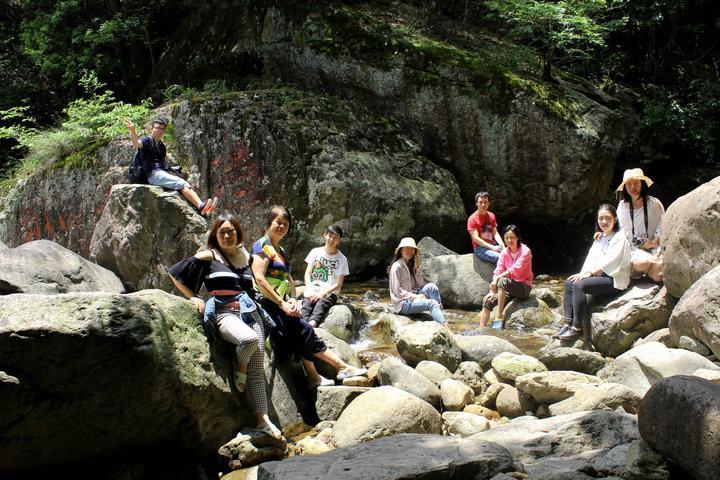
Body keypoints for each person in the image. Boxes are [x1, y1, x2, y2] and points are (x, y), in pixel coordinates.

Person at [167, 213, 281, 439]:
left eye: (231, 231)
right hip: (224, 312)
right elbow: (175, 274)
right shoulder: (209, 256)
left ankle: (262, 420)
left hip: (250, 313)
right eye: (222, 232)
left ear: (238, 233)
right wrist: (193, 297)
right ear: (215, 235)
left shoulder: (247, 256)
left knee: (258, 370)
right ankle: (240, 365)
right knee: (248, 341)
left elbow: (255, 284)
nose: (227, 236)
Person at [250, 206, 366, 387]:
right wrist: (282, 303)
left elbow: (288, 279)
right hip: (265, 303)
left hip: (280, 301)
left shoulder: (280, 250)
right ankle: (333, 369)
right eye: (278, 222)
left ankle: (323, 373)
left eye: (285, 224)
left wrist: (293, 299)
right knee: (303, 328)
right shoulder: (262, 246)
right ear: (269, 223)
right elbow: (259, 279)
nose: (282, 226)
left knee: (302, 327)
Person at [557, 204, 631, 340]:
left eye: (608, 218)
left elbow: (610, 262)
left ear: (615, 219)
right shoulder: (600, 238)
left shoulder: (620, 238)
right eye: (601, 218)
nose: (604, 222)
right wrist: (582, 273)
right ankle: (567, 324)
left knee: (580, 286)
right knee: (569, 283)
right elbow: (591, 259)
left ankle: (577, 327)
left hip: (613, 279)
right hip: (600, 277)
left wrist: (589, 274)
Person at [124, 117, 217, 216]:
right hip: (152, 175)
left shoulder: (161, 146)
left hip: (160, 172)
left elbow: (161, 164)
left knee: (182, 181)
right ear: (151, 129)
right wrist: (132, 131)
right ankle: (201, 206)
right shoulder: (147, 140)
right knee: (181, 183)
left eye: (162, 129)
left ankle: (204, 210)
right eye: (157, 128)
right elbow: (136, 144)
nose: (160, 131)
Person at [478, 225, 533, 329]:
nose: (509, 240)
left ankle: (499, 316)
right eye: (506, 238)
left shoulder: (525, 251)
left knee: (502, 281)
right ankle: (481, 330)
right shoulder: (504, 252)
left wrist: (497, 279)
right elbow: (498, 270)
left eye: (512, 237)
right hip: (508, 287)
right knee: (488, 300)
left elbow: (515, 269)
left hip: (523, 287)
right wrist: (491, 292)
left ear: (517, 238)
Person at [615, 168, 664, 282]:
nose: (633, 187)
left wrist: (654, 242)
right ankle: (640, 269)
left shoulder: (654, 203)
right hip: (633, 249)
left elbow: (663, 224)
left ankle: (646, 272)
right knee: (642, 263)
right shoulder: (622, 206)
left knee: (658, 276)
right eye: (629, 184)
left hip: (653, 247)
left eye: (636, 183)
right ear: (625, 187)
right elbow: (620, 230)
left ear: (642, 184)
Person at [389, 237, 446, 324]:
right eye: (407, 248)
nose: (410, 251)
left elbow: (419, 285)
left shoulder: (411, 264)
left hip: (412, 297)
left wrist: (417, 268)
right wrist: (416, 297)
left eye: (412, 249)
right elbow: (397, 291)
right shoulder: (397, 267)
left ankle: (439, 315)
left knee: (432, 287)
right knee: (432, 303)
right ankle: (444, 326)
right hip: (402, 304)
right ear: (401, 250)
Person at [301, 225, 349, 328]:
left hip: (329, 291)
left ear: (339, 240)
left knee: (321, 304)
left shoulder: (342, 259)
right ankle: (303, 326)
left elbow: (338, 284)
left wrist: (323, 292)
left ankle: (312, 325)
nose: (331, 239)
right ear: (325, 235)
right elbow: (307, 274)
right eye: (330, 236)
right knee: (306, 304)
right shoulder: (315, 252)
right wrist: (310, 290)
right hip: (314, 288)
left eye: (335, 237)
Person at [467, 192, 504, 264]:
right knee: (501, 258)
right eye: (480, 202)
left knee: (510, 253)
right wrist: (493, 248)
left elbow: (495, 233)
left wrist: (502, 244)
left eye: (485, 202)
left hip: (492, 244)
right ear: (476, 203)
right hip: (480, 248)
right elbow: (476, 238)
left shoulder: (491, 216)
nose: (483, 205)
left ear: (488, 203)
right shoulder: (472, 219)